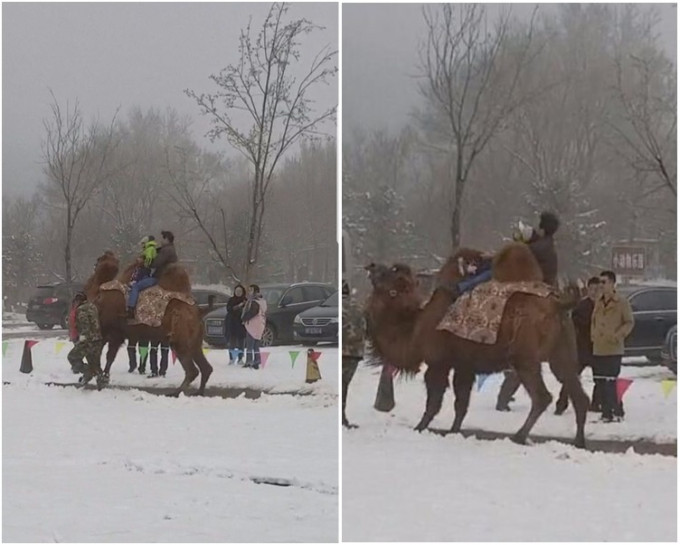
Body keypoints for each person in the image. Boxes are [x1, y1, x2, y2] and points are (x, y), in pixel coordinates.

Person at [496, 211, 561, 410]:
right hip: (547, 292)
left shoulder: (538, 248)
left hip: (536, 292)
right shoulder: (546, 244)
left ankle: (503, 398)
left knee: (522, 353)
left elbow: (519, 255)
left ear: (542, 227)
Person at [591, 270, 634, 422]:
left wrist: (618, 335)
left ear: (612, 283)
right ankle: (606, 413)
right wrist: (593, 335)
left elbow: (629, 322)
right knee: (601, 381)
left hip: (613, 348)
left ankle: (617, 411)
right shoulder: (598, 300)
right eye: (600, 282)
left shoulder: (621, 302)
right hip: (598, 348)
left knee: (611, 381)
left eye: (604, 282)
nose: (601, 285)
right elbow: (594, 320)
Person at [555, 276, 602, 414]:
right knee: (572, 379)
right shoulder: (581, 306)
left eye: (597, 289)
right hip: (581, 349)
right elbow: (572, 324)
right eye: (591, 289)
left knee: (599, 379)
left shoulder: (604, 306)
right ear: (587, 290)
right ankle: (561, 404)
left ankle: (596, 404)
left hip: (598, 348)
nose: (594, 292)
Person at [127, 230, 177, 318]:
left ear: (167, 239)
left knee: (136, 286)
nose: (160, 241)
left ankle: (131, 309)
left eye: (162, 238)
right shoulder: (170, 249)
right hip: (163, 276)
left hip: (159, 277)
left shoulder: (166, 250)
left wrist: (144, 262)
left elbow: (156, 263)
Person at [66, 292, 105, 385]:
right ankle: (101, 379)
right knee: (94, 362)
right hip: (98, 339)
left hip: (88, 340)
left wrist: (83, 337)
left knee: (72, 357)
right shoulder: (93, 306)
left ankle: (87, 371)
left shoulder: (81, 310)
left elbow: (85, 324)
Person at [342, 278, 365, 428]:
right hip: (355, 353)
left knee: (341, 385)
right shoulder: (358, 307)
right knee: (345, 384)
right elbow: (365, 327)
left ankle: (340, 417)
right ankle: (342, 417)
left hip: (342, 351)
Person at [242, 284, 267, 369]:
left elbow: (253, 312)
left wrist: (244, 318)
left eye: (250, 290)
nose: (249, 292)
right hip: (260, 323)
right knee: (256, 343)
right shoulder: (262, 301)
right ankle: (257, 359)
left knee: (250, 343)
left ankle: (249, 361)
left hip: (253, 324)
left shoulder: (254, 302)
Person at [225, 284, 247, 365]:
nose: (238, 293)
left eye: (240, 291)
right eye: (236, 291)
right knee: (232, 342)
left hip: (241, 324)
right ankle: (231, 358)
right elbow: (229, 309)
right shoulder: (231, 300)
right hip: (232, 324)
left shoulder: (245, 300)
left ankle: (240, 358)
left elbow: (247, 311)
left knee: (241, 342)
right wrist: (238, 306)